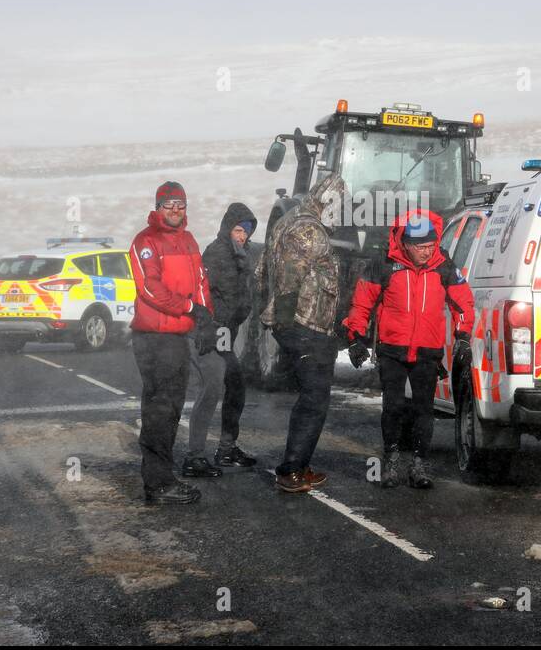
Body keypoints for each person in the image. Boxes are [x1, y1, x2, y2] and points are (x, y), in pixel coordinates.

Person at [343, 209, 474, 490]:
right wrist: (355, 337)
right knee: (393, 406)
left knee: (424, 409)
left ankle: (420, 464)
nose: (426, 252)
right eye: (420, 247)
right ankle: (390, 459)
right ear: (406, 244)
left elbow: (463, 303)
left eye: (430, 246)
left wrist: (463, 336)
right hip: (393, 348)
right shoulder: (386, 265)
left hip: (427, 349)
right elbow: (362, 302)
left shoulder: (443, 267)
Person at [256, 172, 346, 494]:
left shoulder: (289, 221)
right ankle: (291, 469)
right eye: (337, 204)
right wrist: (287, 323)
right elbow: (289, 277)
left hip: (300, 325)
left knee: (312, 398)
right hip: (306, 326)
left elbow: (263, 270)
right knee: (314, 399)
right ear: (326, 201)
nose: (340, 212)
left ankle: (300, 464)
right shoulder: (310, 230)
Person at [128, 181, 218, 505]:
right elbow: (149, 288)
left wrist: (206, 317)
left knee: (173, 409)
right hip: (153, 338)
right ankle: (157, 483)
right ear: (158, 207)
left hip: (178, 337)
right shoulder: (145, 241)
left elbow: (201, 283)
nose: (176, 211)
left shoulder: (190, 241)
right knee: (159, 410)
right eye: (169, 205)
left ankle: (163, 476)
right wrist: (189, 308)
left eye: (181, 205)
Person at [183, 202, 258, 477]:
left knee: (236, 384)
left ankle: (226, 448)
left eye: (246, 232)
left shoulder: (243, 256)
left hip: (226, 335)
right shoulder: (215, 254)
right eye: (238, 230)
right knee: (211, 389)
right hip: (207, 333)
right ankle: (194, 457)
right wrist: (208, 328)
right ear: (228, 229)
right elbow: (201, 295)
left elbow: (242, 301)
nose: (241, 236)